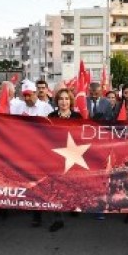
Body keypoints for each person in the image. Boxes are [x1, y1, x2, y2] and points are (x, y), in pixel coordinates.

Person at [32, 89, 83, 232]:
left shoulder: (77, 117)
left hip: (73, 155)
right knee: (55, 185)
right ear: (57, 101)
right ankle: (58, 218)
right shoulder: (51, 116)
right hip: (55, 156)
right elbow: (46, 136)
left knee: (71, 183)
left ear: (71, 101)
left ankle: (73, 205)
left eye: (67, 99)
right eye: (61, 99)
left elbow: (82, 137)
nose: (64, 102)